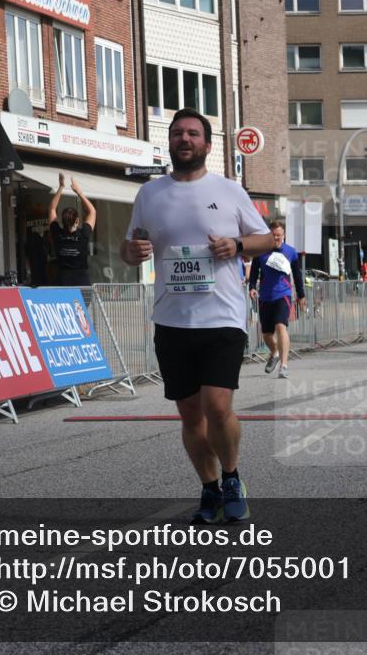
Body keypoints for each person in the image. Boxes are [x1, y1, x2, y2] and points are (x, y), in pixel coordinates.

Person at [121, 108, 274, 524]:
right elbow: (130, 244)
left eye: (192, 133)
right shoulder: (149, 194)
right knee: (190, 414)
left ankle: (231, 477)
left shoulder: (229, 190)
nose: (184, 139)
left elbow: (266, 239)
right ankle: (209, 488)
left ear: (207, 145)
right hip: (172, 319)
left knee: (217, 407)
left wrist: (238, 246)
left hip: (222, 316)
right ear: (170, 143)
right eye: (176, 134)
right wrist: (131, 252)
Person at [249, 221, 306, 378]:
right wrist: (252, 287)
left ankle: (284, 364)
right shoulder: (261, 252)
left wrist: (301, 295)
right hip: (266, 296)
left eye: (279, 236)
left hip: (283, 294)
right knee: (267, 334)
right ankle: (274, 353)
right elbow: (254, 272)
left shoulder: (291, 252)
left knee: (281, 326)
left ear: (284, 235)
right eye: (273, 235)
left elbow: (297, 275)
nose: (276, 238)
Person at [49, 173, 96, 286]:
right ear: (77, 221)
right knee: (82, 304)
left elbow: (51, 209)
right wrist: (78, 192)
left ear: (62, 221)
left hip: (63, 281)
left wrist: (61, 187)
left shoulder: (58, 234)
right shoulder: (83, 234)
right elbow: (92, 211)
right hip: (82, 282)